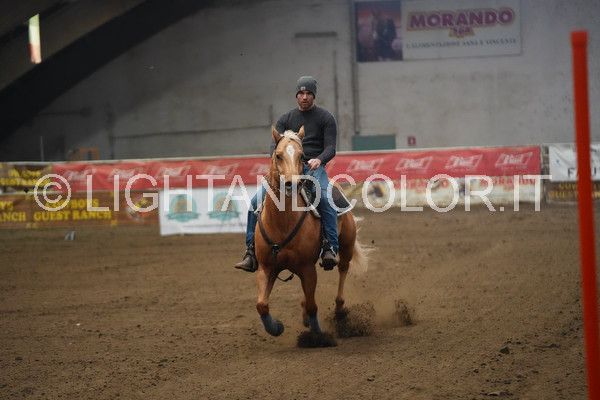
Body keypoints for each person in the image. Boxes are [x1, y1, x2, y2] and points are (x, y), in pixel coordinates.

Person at [234, 75, 339, 272]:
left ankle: (330, 248)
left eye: (308, 93)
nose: (305, 97)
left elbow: (331, 148)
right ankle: (250, 251)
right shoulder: (285, 119)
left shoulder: (325, 118)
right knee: (255, 202)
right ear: (296, 95)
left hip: (313, 168)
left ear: (314, 95)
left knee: (325, 199)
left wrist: (319, 159)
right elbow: (274, 148)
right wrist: (280, 166)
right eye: (301, 93)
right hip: (287, 168)